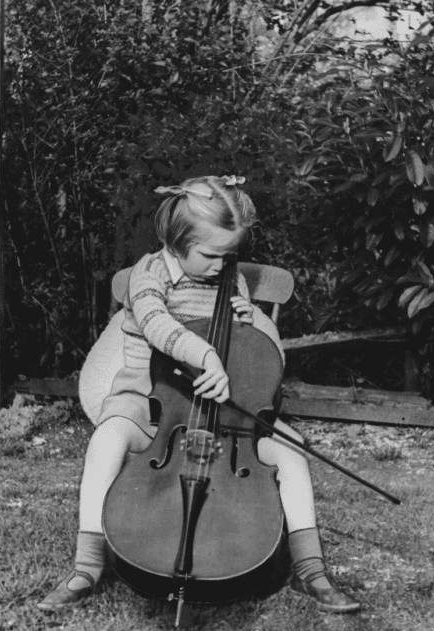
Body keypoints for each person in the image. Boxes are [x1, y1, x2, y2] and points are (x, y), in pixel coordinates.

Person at [37, 175, 360, 615]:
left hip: (224, 410)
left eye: (230, 255)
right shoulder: (149, 274)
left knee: (293, 450)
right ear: (175, 241)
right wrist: (204, 355)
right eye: (210, 254)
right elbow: (158, 325)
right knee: (106, 439)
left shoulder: (229, 277)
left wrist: (246, 320)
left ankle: (310, 569)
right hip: (151, 403)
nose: (220, 266)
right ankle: (87, 564)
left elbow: (247, 352)